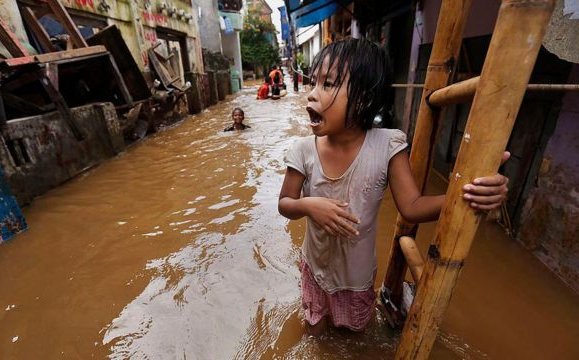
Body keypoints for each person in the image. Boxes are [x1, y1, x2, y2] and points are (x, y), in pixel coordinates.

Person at [278, 39, 509, 333]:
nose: (311, 95)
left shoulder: (388, 145)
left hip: (356, 278)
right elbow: (285, 203)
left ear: (363, 98)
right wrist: (309, 206)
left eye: (327, 84)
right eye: (314, 83)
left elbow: (412, 208)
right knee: (314, 331)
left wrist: (465, 193)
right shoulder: (303, 150)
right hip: (314, 267)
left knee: (353, 337)